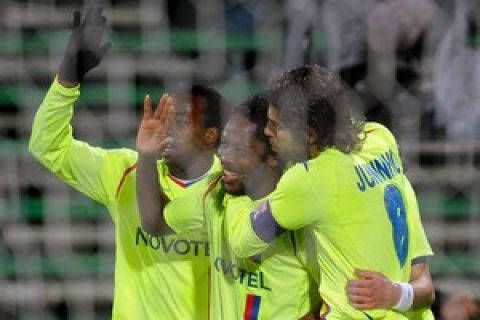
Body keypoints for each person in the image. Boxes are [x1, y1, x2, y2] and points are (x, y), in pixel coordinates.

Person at [29, 7, 229, 319]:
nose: (165, 127)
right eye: (163, 117)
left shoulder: (231, 192)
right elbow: (47, 146)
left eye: (178, 120)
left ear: (210, 134)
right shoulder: (126, 170)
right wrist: (67, 80)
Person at [226, 65, 435, 319]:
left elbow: (243, 242)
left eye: (276, 126)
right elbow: (426, 288)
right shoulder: (380, 139)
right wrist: (395, 293)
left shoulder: (309, 179)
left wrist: (235, 191)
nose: (267, 131)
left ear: (309, 134)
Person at [136, 94, 322, 319]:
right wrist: (146, 157)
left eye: (241, 150)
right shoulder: (215, 194)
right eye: (224, 144)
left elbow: (334, 293)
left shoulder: (298, 212)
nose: (225, 157)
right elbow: (156, 221)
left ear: (274, 157)